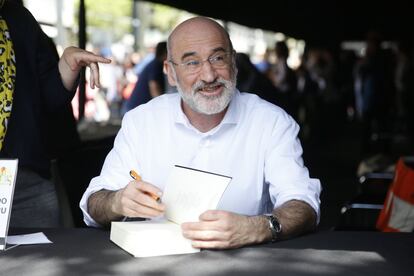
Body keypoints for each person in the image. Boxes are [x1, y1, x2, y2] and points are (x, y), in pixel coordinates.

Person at [80, 17, 321, 249]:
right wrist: (117, 201)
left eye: (217, 58)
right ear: (171, 73)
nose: (208, 76)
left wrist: (258, 227)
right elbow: (94, 203)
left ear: (233, 63)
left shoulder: (271, 122)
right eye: (192, 62)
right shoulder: (142, 121)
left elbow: (303, 204)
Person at [0, 0, 111, 227]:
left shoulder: (17, 18)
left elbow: (49, 100)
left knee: (44, 257)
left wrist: (68, 67)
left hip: (23, 178)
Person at [121, 41, 167, 115]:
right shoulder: (156, 65)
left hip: (136, 107)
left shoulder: (154, 64)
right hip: (136, 109)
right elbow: (154, 86)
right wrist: (162, 106)